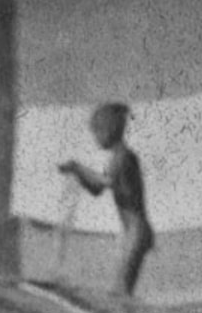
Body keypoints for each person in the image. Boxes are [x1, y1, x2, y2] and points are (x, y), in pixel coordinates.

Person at [56, 100, 154, 294]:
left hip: (136, 233)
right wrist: (78, 173)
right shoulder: (117, 157)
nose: (95, 138)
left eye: (97, 132)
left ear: (109, 131)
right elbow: (96, 190)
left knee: (121, 290)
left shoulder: (124, 157)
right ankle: (124, 312)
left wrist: (78, 168)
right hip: (132, 233)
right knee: (120, 288)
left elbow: (105, 182)